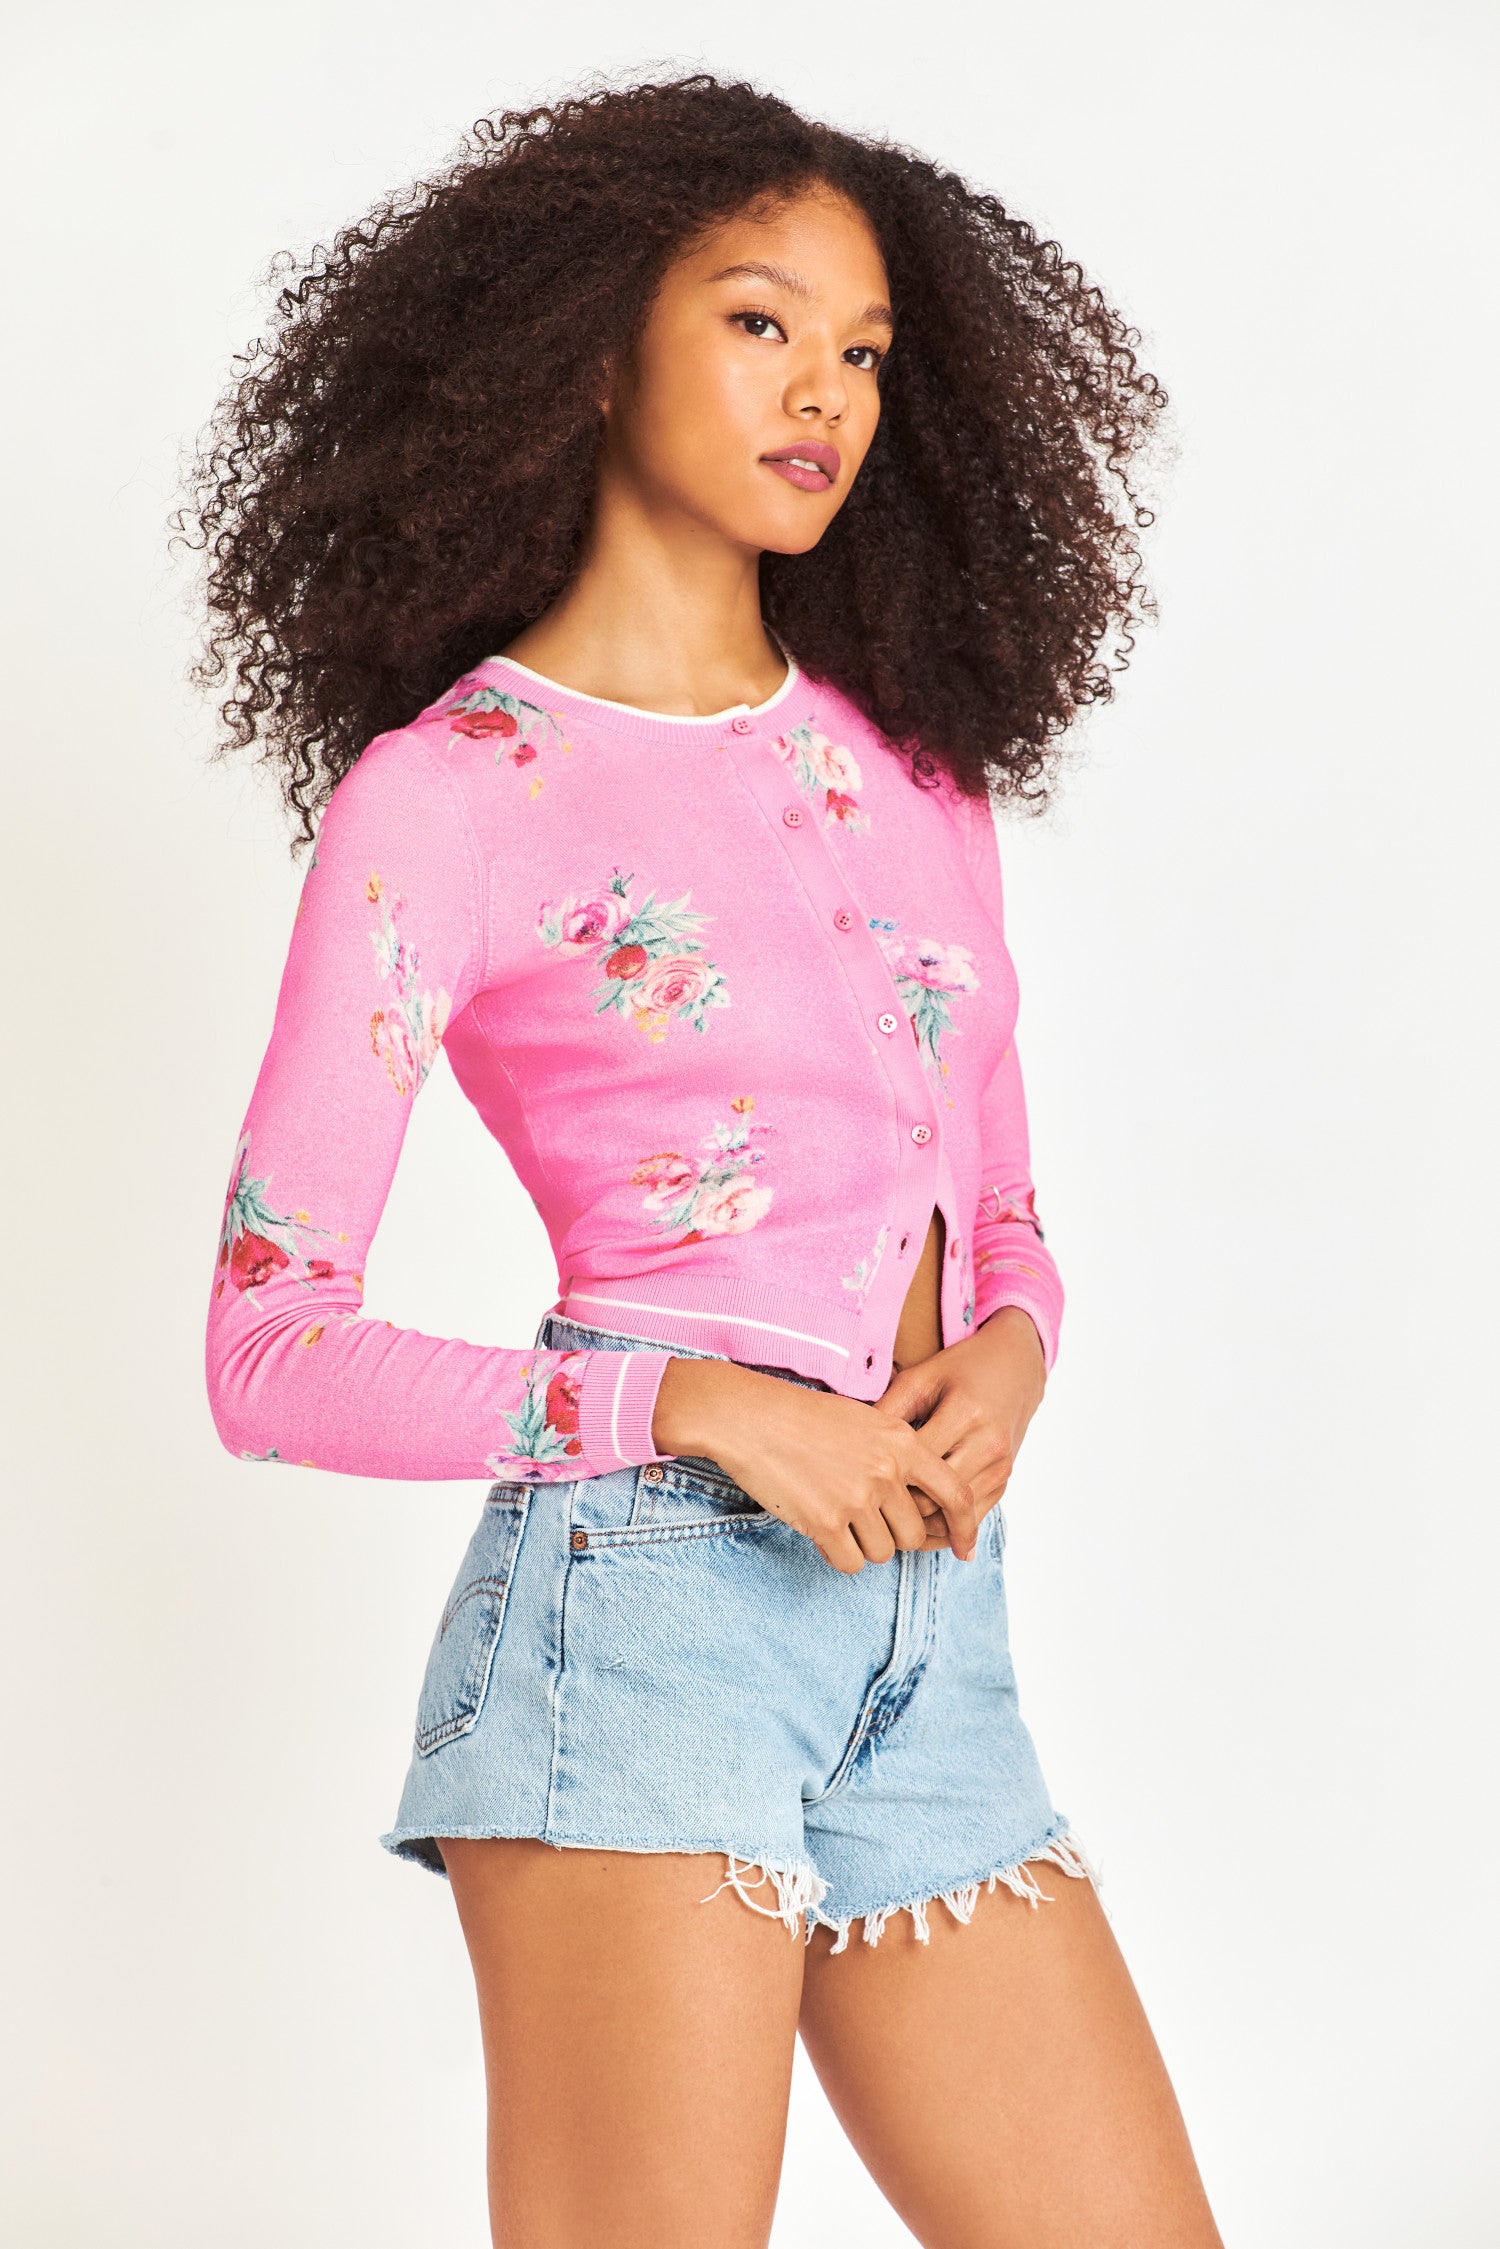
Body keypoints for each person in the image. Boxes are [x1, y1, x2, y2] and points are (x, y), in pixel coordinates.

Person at [187, 72, 1221, 2249]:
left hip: (933, 1634)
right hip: (638, 1622)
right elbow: (267, 1353)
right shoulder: (452, 795)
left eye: (864, 349)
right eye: (761, 323)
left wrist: (1019, 1346)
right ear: (590, 348)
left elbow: (1001, 1207)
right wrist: (695, 1406)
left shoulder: (913, 764)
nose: (824, 391)